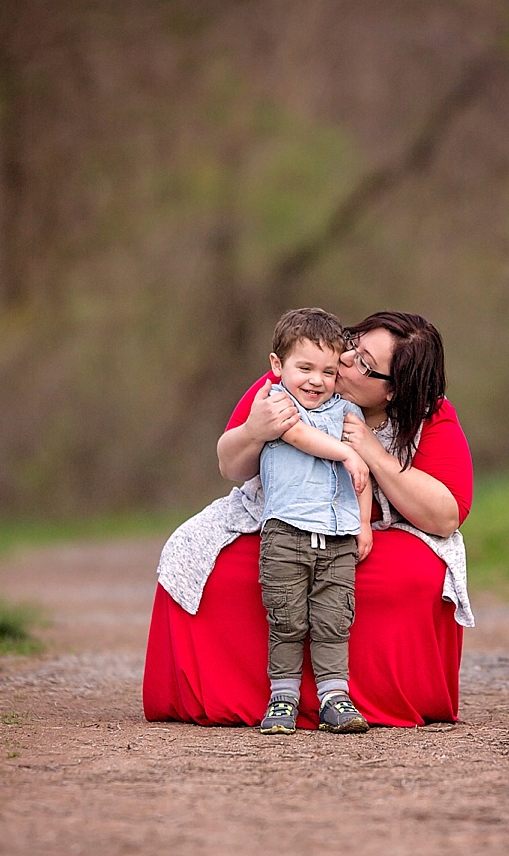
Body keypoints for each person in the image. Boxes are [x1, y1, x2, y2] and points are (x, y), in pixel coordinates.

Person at [144, 313, 474, 730]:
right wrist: (254, 431)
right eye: (354, 342)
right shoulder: (295, 380)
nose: (347, 357)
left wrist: (371, 452)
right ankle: (268, 698)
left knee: (412, 576)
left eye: (364, 362)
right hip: (281, 521)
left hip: (369, 533)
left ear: (394, 391)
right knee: (209, 564)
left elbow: (445, 517)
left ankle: (349, 697)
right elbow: (230, 465)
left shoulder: (430, 416)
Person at [254, 308, 374, 737]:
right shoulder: (274, 402)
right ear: (278, 365)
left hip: (338, 538)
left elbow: (363, 480)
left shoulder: (347, 413)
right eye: (304, 367)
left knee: (333, 621)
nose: (316, 380)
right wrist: (346, 453)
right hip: (286, 532)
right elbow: (297, 436)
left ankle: (334, 697)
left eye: (327, 370)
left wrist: (362, 524)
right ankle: (283, 698)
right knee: (287, 620)